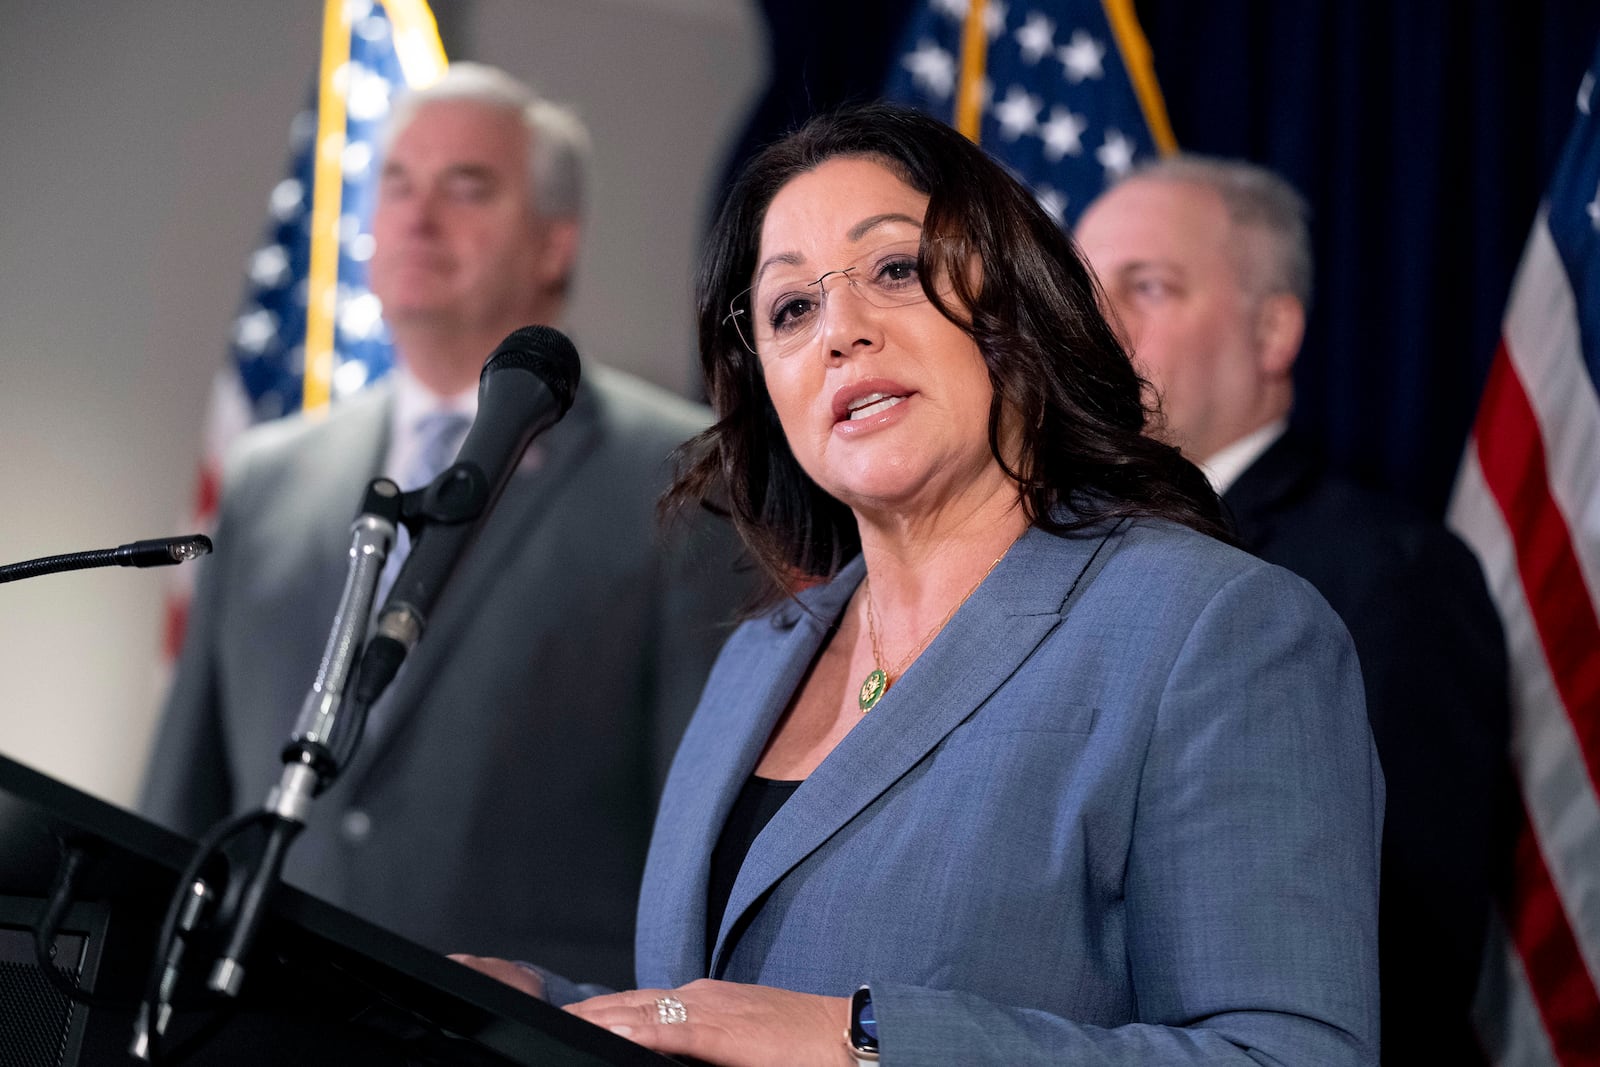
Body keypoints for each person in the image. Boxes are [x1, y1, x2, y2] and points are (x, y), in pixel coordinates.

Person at [456, 102, 1383, 1065]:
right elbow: (736, 1017)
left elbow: (1287, 1055)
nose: (840, 332)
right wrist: (549, 1010)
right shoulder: (759, 656)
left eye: (894, 269)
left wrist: (860, 1042)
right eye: (791, 308)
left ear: (1014, 301)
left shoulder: (1218, 630)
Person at [140, 63, 749, 990]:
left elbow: (699, 829)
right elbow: (183, 799)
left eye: (467, 186)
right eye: (397, 183)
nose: (420, 216)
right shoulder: (269, 477)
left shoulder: (683, 475)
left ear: (555, 241)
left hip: (521, 1034)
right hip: (259, 1017)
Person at [1075, 155, 1510, 1063]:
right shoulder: (1045, 558)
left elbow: (1404, 953)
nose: (1097, 325)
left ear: (1273, 331)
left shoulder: (1392, 573)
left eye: (1147, 286)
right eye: (1081, 290)